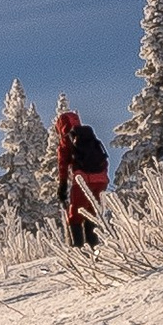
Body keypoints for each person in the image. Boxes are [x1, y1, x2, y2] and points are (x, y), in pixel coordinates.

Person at [54, 102, 108, 247]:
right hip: (101, 181)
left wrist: (62, 187)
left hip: (82, 182)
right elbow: (103, 159)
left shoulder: (66, 140)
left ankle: (78, 251)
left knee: (75, 217)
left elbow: (63, 166)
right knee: (91, 215)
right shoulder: (90, 136)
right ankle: (94, 250)